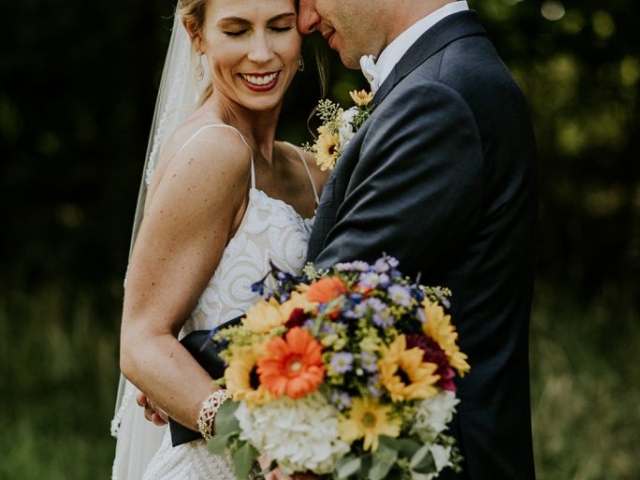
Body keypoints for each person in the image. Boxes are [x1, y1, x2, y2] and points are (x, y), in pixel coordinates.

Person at [296, 0, 538, 479]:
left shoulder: (440, 95)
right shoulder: (444, 74)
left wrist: (175, 362)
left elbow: (335, 301)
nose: (304, 20)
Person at [110, 0, 327, 478]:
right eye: (235, 31)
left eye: (279, 27)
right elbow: (142, 341)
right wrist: (257, 439)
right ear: (197, 35)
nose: (262, 53)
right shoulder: (214, 149)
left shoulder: (311, 170)